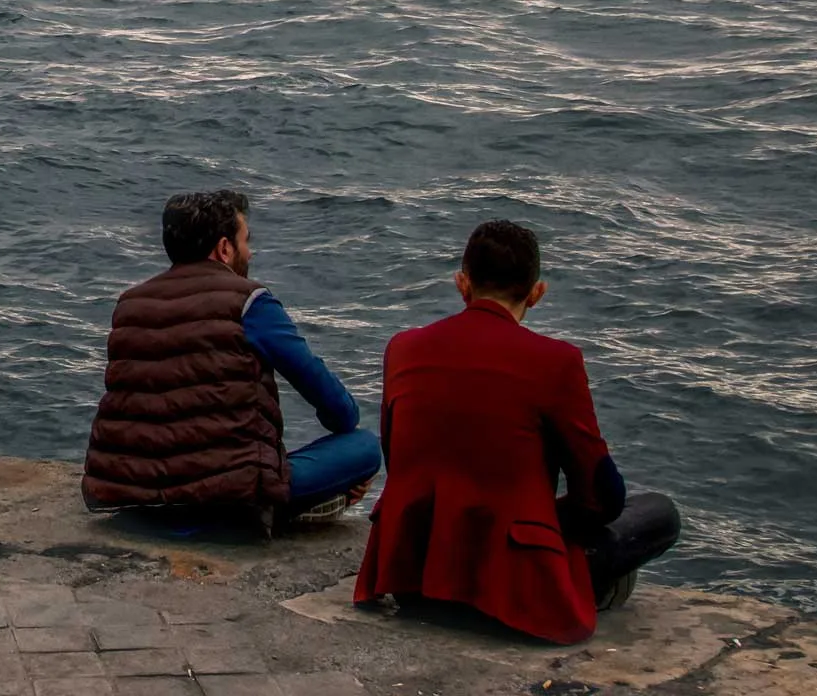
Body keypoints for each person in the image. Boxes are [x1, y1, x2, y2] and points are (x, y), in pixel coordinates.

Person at [354, 220, 680, 644]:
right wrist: (544, 516)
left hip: (413, 576)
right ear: (536, 292)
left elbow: (398, 461)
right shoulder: (556, 362)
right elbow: (601, 496)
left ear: (462, 284)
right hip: (509, 585)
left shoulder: (403, 348)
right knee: (658, 515)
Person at [82, 190, 380, 528]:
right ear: (224, 248)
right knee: (364, 447)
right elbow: (336, 408)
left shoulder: (130, 304)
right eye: (245, 241)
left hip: (135, 493)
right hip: (227, 496)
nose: (250, 252)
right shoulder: (251, 302)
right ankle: (293, 510)